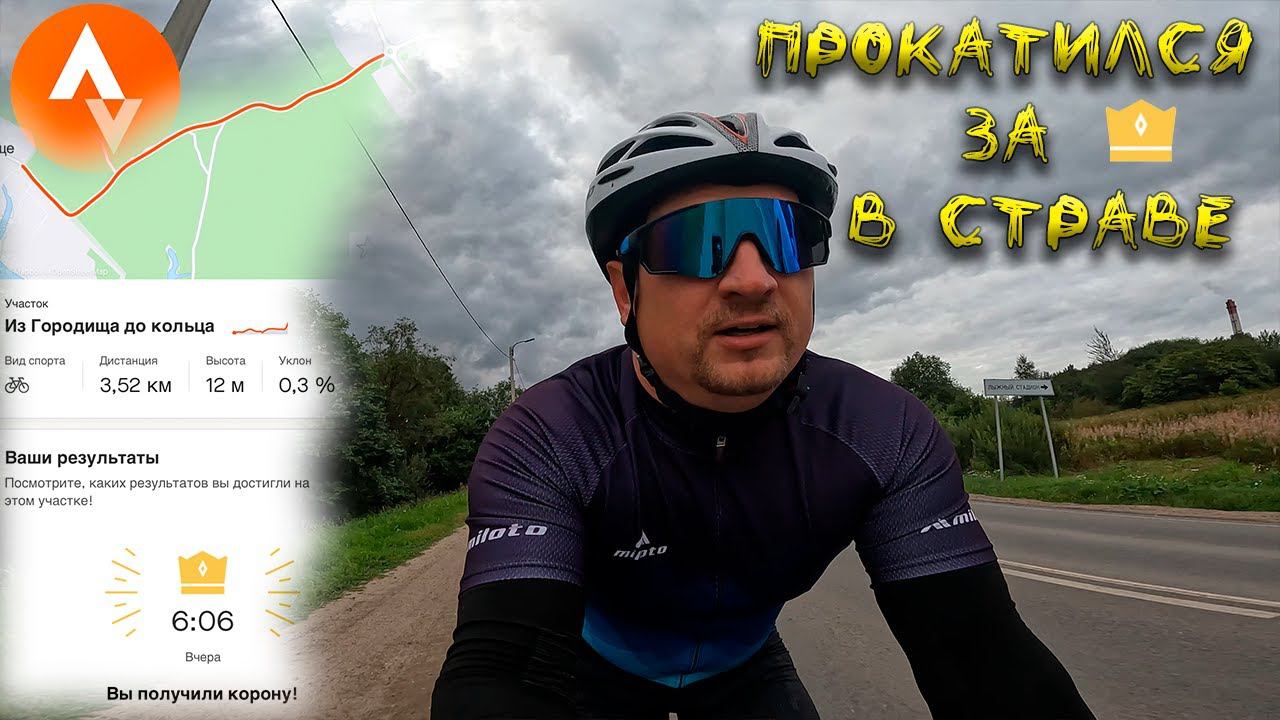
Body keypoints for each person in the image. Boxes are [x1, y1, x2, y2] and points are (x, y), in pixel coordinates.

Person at [431, 111, 1094, 719]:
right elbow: (505, 670)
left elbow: (979, 658)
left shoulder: (885, 432)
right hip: (588, 677)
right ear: (624, 290)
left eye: (787, 237)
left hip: (745, 675)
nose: (753, 280)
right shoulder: (550, 435)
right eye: (698, 240)